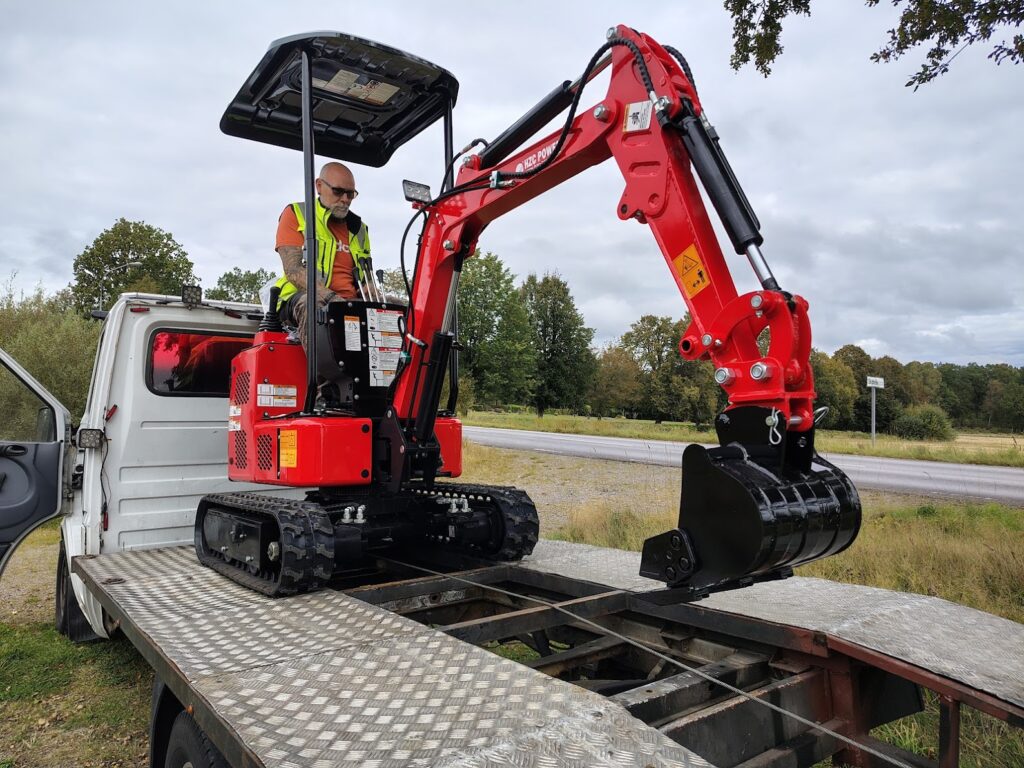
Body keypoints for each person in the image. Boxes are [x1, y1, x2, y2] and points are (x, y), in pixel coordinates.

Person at [274, 161, 371, 350]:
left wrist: (372, 293)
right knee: (314, 305)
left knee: (401, 310)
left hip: (348, 301)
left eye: (350, 194)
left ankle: (398, 377)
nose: (345, 199)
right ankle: (324, 379)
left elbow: (365, 278)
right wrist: (333, 299)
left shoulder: (360, 230)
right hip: (301, 299)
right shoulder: (298, 213)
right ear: (319, 186)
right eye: (338, 191)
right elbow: (294, 271)